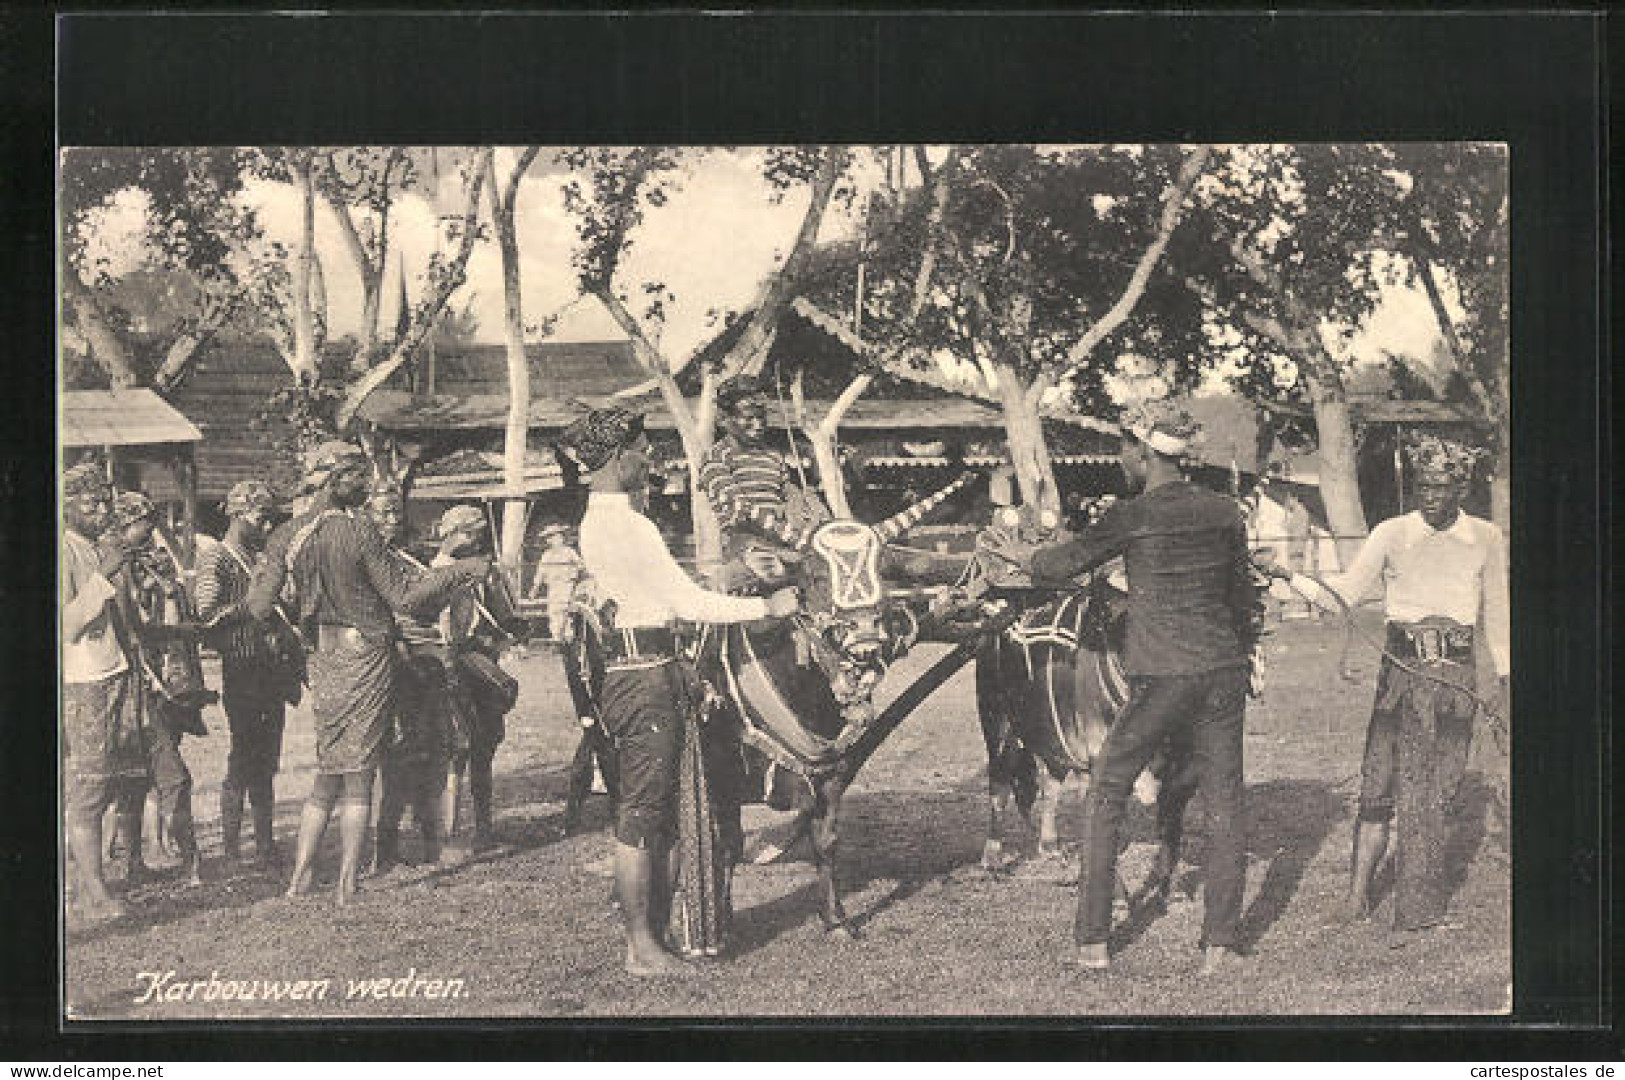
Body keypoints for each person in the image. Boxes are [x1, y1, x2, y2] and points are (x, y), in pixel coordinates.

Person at [987, 402, 1259, 976]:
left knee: (1107, 790)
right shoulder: (1224, 511)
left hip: (1161, 676)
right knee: (1225, 801)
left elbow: (1064, 562)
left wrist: (1020, 555)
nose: (1119, 460)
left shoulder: (1134, 514)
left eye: (1122, 451)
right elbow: (1240, 599)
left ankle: (1092, 941)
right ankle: (1219, 946)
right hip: (1222, 672)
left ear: (1142, 453)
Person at [560, 406, 799, 976]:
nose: (649, 457)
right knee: (642, 814)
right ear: (618, 457)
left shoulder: (610, 521)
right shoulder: (626, 525)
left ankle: (654, 937)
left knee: (654, 811)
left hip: (648, 667)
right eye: (642, 448)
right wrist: (767, 605)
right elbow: (686, 602)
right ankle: (642, 948)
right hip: (643, 675)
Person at [1268, 430, 1509, 933]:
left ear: (1460, 488)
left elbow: (1500, 614)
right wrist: (1288, 578)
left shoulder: (1485, 537)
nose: (1430, 497)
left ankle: (1422, 904)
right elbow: (1344, 596)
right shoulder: (1389, 532)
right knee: (1377, 788)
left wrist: (1504, 680)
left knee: (1438, 793)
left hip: (1455, 682)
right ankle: (1357, 899)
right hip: (1398, 677)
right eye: (1423, 486)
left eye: (1441, 487)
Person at [246, 441, 489, 904]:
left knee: (328, 768)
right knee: (359, 773)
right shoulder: (359, 532)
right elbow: (405, 599)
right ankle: (346, 883)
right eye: (358, 476)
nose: (366, 485)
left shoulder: (288, 534)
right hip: (366, 658)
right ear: (336, 480)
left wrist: (300, 616)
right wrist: (462, 572)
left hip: (323, 657)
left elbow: (258, 607)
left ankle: (299, 879)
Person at [106, 490, 207, 887]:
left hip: (165, 683)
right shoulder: (114, 569)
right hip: (136, 684)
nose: (149, 527)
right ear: (125, 523)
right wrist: (178, 630)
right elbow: (133, 630)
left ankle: (145, 862)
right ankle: (186, 862)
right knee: (164, 776)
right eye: (142, 520)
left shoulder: (156, 561)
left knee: (147, 774)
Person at [61, 463, 146, 922]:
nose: (99, 512)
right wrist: (107, 575)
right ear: (66, 506)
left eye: (102, 503)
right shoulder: (64, 550)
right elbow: (67, 623)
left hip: (112, 673)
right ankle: (93, 891)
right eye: (89, 504)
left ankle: (89, 883)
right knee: (90, 788)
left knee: (111, 780)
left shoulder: (93, 548)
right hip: (83, 681)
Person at [195, 480, 290, 869]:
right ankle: (233, 848)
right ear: (237, 514)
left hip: (269, 669)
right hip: (242, 668)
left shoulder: (256, 556)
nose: (266, 527)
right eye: (260, 517)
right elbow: (205, 616)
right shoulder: (217, 557)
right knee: (243, 757)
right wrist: (249, 607)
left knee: (267, 760)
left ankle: (266, 844)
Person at [363, 486, 454, 873]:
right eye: (382, 514)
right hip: (390, 664)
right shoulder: (364, 563)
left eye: (396, 513)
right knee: (392, 759)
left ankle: (431, 841)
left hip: (426, 663)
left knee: (428, 752)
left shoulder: (407, 560)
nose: (391, 521)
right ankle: (383, 850)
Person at [432, 503, 517, 856]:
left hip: (483, 662)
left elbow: (504, 616)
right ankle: (446, 833)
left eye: (478, 534)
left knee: (484, 747)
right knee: (456, 749)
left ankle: (483, 828)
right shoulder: (436, 571)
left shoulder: (484, 571)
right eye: (469, 533)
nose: (475, 540)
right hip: (451, 664)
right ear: (452, 534)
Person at [697, 374, 821, 591]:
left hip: (785, 540)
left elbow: (789, 494)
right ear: (724, 419)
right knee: (773, 573)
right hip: (746, 544)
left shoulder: (773, 456)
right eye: (748, 417)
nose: (758, 424)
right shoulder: (716, 457)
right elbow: (740, 507)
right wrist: (786, 536)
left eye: (762, 417)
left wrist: (808, 505)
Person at [528, 523, 583, 643]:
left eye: (554, 536)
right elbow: (540, 573)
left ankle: (569, 638)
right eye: (549, 538)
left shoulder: (569, 552)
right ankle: (557, 638)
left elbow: (580, 565)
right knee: (554, 611)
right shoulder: (546, 555)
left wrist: (574, 571)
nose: (551, 540)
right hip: (553, 587)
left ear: (561, 537)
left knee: (566, 610)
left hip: (566, 585)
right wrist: (535, 589)